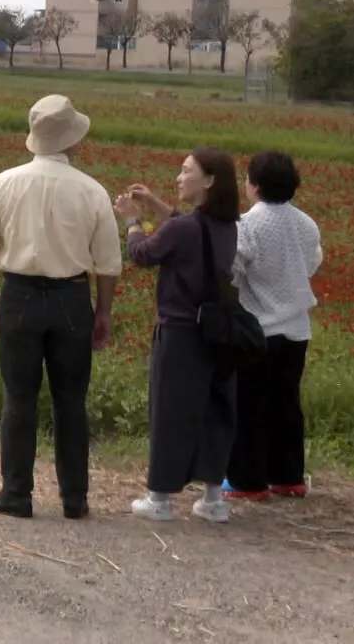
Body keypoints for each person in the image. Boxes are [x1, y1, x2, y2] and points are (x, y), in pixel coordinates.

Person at [0, 95, 121, 521]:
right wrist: (103, 312)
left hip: (18, 297)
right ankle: (75, 498)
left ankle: (16, 493)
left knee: (19, 398)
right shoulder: (92, 190)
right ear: (72, 140)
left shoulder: (4, 183)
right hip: (72, 297)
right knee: (71, 401)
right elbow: (108, 263)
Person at [116, 148, 241, 524]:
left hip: (180, 332)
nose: (179, 177)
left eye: (187, 171)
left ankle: (159, 497)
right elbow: (187, 228)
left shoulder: (184, 229)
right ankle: (213, 499)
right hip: (218, 332)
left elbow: (142, 254)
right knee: (214, 412)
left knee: (170, 412)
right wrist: (156, 204)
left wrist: (133, 221)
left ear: (209, 181)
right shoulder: (226, 225)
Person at [223, 151, 322, 501]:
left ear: (254, 185)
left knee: (249, 405)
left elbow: (233, 271)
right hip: (296, 328)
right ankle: (288, 477)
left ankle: (247, 481)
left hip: (257, 327)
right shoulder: (307, 224)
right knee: (286, 403)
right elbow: (312, 263)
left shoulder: (247, 224)